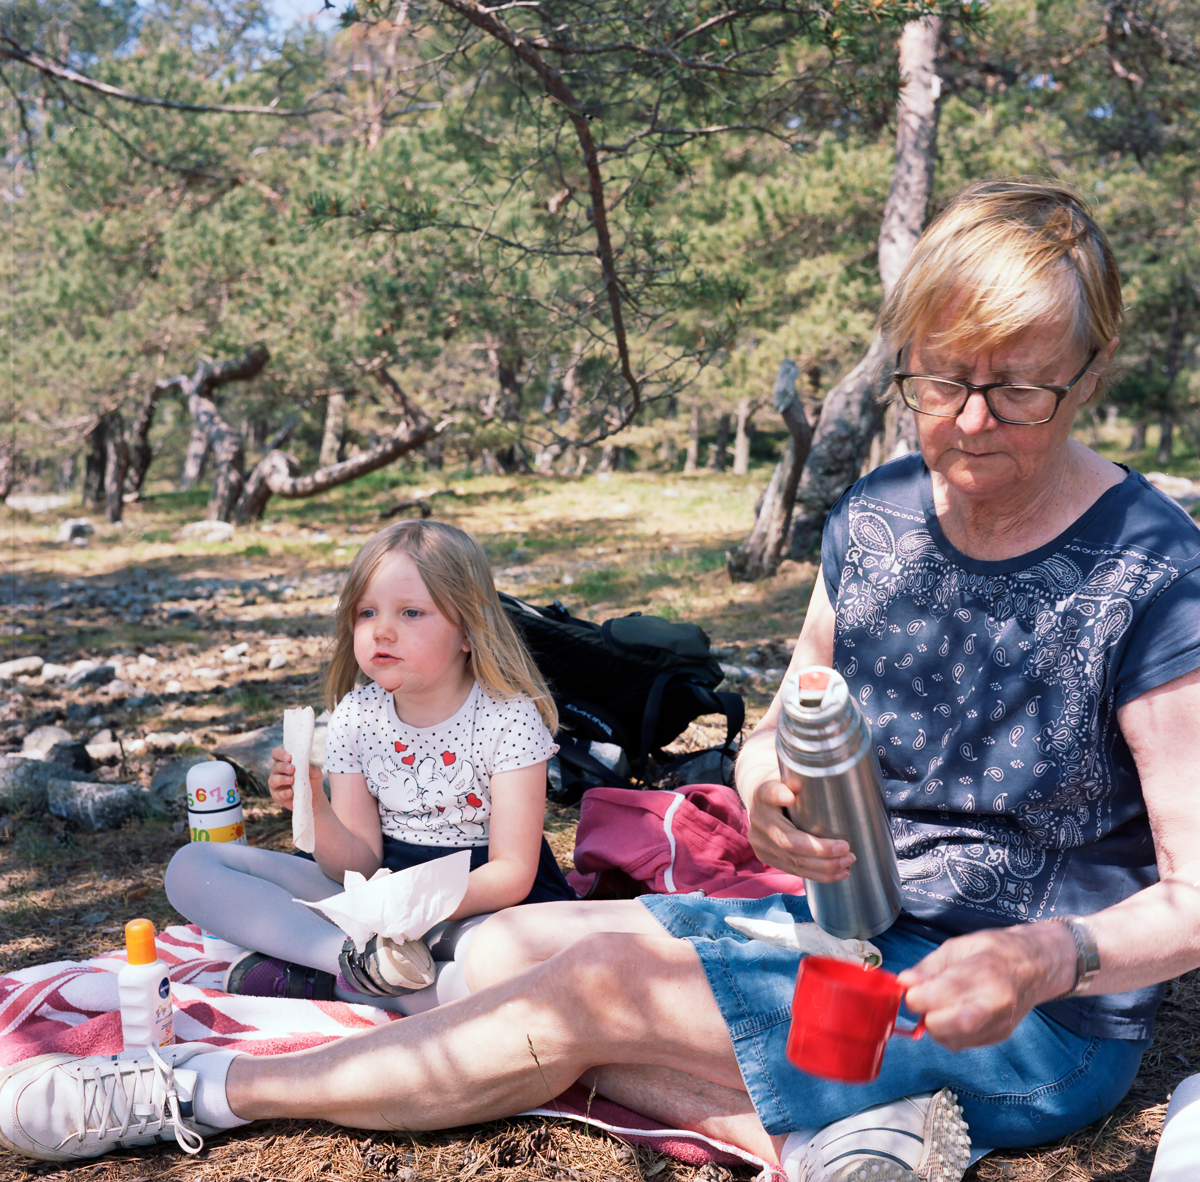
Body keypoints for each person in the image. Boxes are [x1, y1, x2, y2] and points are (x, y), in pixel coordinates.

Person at [6, 179, 1200, 1182]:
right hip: (839, 935)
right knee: (500, 961)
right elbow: (791, 711)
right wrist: (765, 775)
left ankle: (199, 1089)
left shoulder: (1152, 569)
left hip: (1015, 1013)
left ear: (1091, 371)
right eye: (940, 382)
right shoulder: (877, 520)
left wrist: (1051, 957)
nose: (971, 423)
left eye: (1020, 389)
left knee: (583, 996)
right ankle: (807, 1135)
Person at [163, 518, 575, 1012]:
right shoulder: (357, 716)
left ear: (468, 630)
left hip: (477, 903)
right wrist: (314, 804)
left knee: (506, 962)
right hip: (375, 892)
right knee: (192, 866)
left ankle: (339, 981)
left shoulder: (508, 718)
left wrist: (412, 905)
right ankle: (351, 966)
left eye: (411, 613)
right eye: (367, 612)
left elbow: (512, 872)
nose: (382, 629)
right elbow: (355, 862)